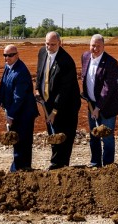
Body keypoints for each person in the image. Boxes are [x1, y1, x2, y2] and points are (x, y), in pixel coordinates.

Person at [35, 31, 81, 169]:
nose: (49, 47)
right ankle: (55, 161)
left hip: (67, 105)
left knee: (64, 134)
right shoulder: (42, 52)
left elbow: (64, 91)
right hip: (49, 101)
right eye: (47, 44)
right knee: (52, 132)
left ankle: (61, 165)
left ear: (60, 43)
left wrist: (54, 112)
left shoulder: (66, 61)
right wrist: (37, 88)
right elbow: (40, 72)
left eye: (53, 45)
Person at [80, 34, 118, 167]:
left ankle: (109, 165)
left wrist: (98, 108)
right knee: (94, 135)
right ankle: (95, 162)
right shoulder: (85, 56)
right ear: (89, 45)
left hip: (107, 106)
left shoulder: (110, 62)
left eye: (98, 46)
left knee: (107, 136)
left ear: (104, 46)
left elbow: (108, 88)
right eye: (93, 45)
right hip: (92, 104)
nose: (95, 48)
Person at [0, 44, 38, 172]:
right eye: (5, 55)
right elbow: (4, 86)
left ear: (17, 55)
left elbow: (18, 97)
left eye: (10, 55)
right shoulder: (9, 67)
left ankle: (21, 169)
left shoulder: (20, 71)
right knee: (18, 141)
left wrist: (10, 115)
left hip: (24, 113)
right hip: (16, 111)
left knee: (23, 142)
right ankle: (19, 167)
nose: (7, 58)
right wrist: (3, 104)